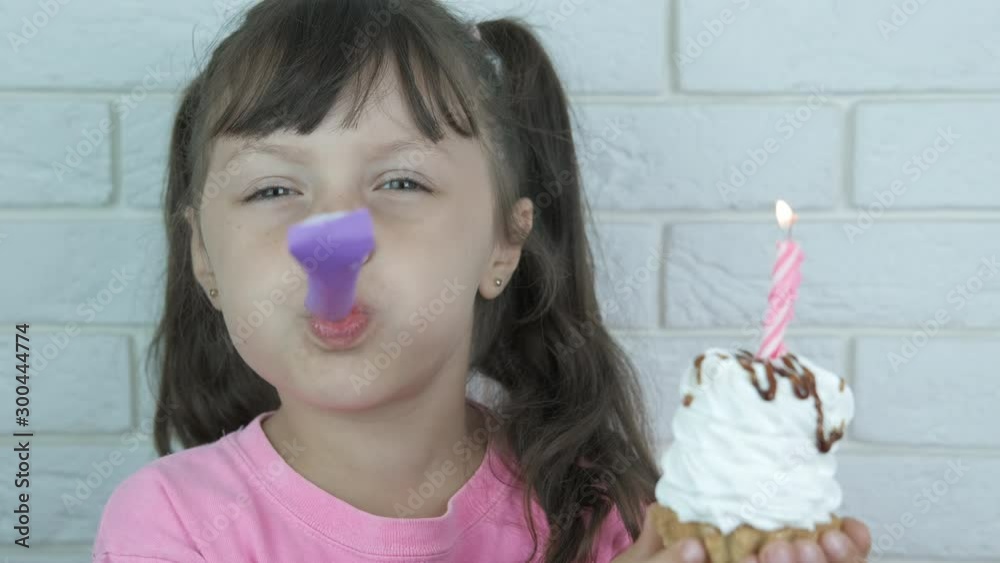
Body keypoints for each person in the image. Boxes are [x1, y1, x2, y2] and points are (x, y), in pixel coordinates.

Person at [92, 1, 871, 562]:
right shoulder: (172, 527)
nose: (334, 243)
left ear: (505, 243)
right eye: (272, 190)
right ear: (202, 256)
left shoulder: (601, 517)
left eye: (399, 183)